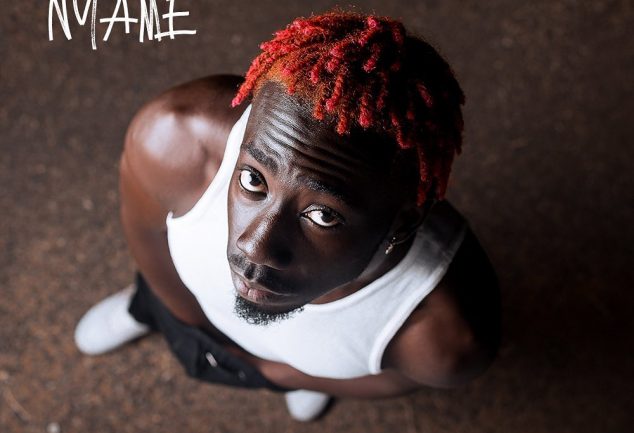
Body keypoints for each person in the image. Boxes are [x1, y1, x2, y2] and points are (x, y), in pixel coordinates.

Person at [74, 11, 501, 422]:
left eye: (322, 215)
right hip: (184, 308)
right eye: (253, 180)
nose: (254, 247)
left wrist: (285, 374)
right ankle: (141, 311)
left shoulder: (444, 333)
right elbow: (145, 233)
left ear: (403, 223)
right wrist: (181, 317)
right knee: (154, 300)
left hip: (289, 368)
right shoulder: (175, 138)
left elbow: (398, 379)